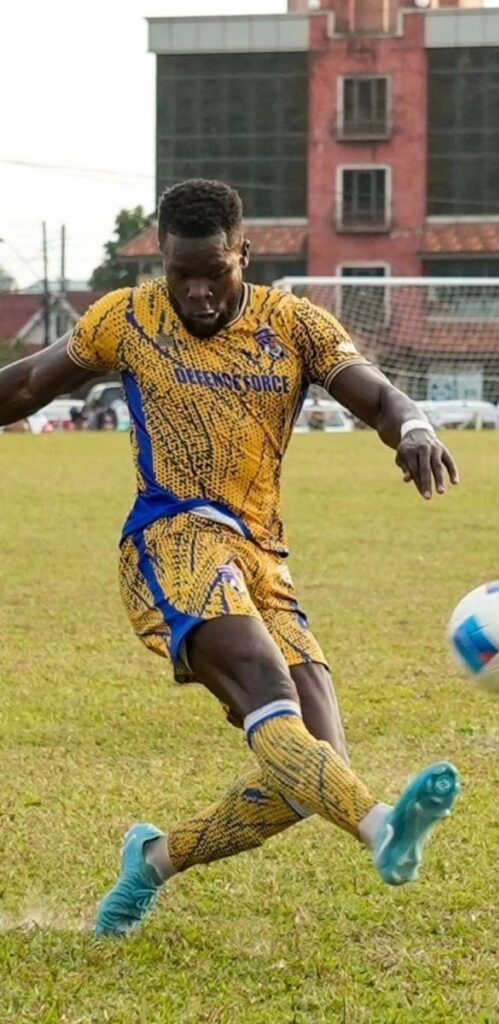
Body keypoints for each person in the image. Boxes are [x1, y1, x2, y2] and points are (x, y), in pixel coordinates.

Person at [0, 179, 462, 937]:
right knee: (266, 689)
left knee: (311, 770)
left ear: (244, 253)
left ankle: (151, 860)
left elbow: (379, 397)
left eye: (213, 272)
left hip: (262, 559)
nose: (197, 292)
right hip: (171, 538)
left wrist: (412, 429)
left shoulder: (294, 325)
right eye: (181, 272)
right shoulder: (128, 318)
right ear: (162, 259)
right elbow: (23, 385)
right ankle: (384, 828)